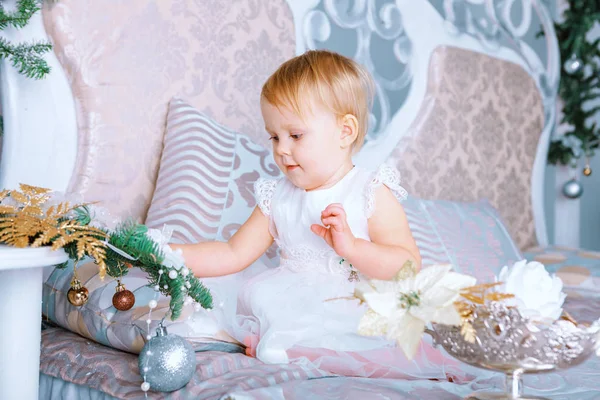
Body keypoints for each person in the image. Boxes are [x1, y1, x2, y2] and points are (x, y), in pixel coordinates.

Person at [173, 50, 460, 380]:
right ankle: (276, 342)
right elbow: (232, 253)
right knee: (229, 315)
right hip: (291, 302)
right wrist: (167, 254)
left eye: (295, 135)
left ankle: (306, 351)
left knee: (350, 335)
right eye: (274, 136)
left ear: (345, 132)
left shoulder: (368, 191)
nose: (281, 148)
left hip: (354, 306)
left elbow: (407, 266)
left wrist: (352, 248)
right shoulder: (278, 196)